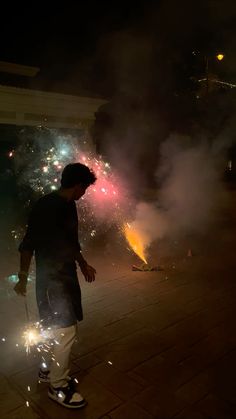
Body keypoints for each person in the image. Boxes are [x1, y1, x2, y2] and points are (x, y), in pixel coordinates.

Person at [14, 163, 97, 409]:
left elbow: (72, 242)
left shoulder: (70, 206)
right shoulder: (46, 206)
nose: (85, 194)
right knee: (66, 330)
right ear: (78, 185)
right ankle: (58, 386)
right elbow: (28, 243)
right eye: (85, 189)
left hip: (66, 276)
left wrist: (82, 264)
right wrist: (21, 276)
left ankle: (49, 369)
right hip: (52, 281)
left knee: (52, 326)